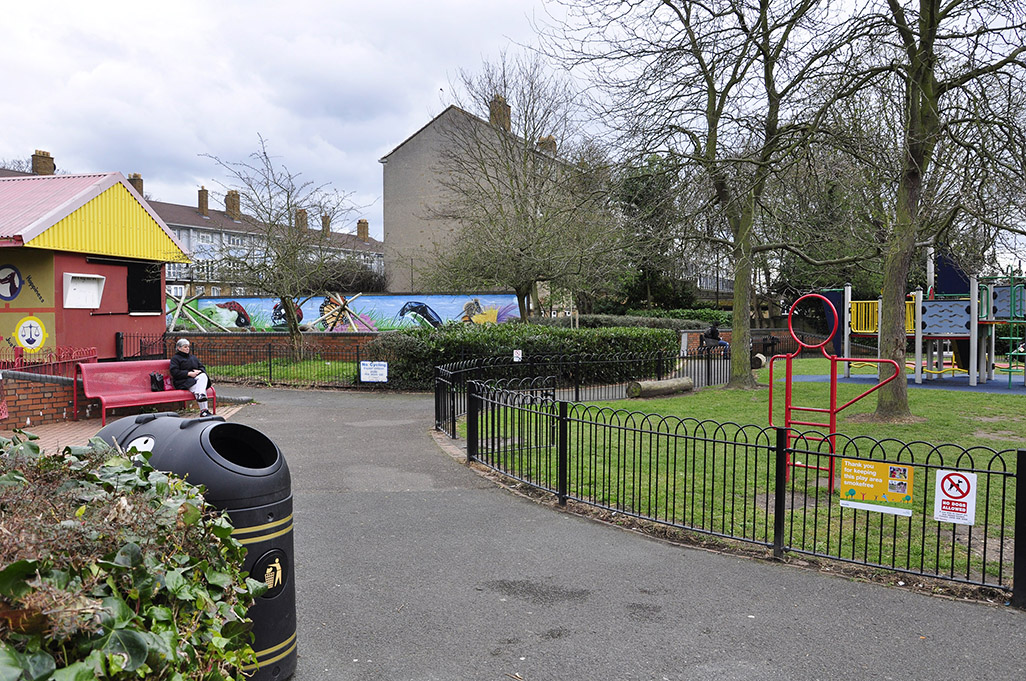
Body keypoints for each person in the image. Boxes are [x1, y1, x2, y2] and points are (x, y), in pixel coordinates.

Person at [169, 338, 212, 417]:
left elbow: (202, 367)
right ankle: (204, 410)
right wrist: (188, 373)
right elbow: (174, 372)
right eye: (185, 347)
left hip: (196, 379)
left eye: (188, 346)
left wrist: (198, 371)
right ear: (179, 348)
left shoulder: (193, 357)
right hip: (182, 381)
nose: (187, 348)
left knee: (203, 376)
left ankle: (201, 397)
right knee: (199, 389)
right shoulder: (175, 359)